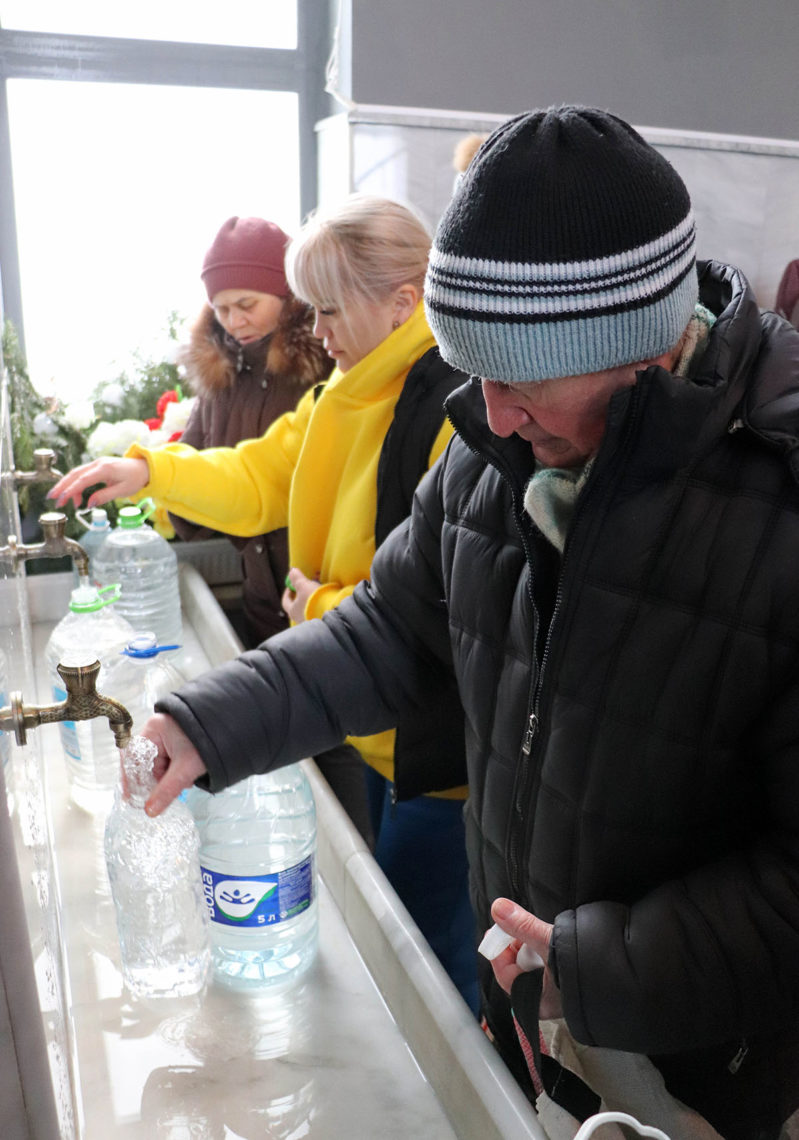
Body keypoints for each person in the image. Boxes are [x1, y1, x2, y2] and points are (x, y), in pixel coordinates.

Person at [105, 105, 799, 1138]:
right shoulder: (497, 452)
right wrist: (212, 723)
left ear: (645, 348)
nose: (492, 414)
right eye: (478, 372)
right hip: (539, 1011)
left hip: (710, 1066)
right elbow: (391, 626)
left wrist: (600, 970)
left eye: (522, 378)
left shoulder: (773, 502)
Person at [49, 194, 479, 1014]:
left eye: (329, 307)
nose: (317, 332)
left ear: (405, 296)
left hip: (440, 752)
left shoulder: (449, 412)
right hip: (378, 730)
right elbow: (259, 477)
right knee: (398, 937)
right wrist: (153, 471)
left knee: (433, 977)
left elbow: (441, 601)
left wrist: (320, 605)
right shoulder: (343, 396)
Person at [171, 215, 332, 648]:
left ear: (286, 292)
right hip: (260, 599)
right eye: (221, 309)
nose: (234, 321)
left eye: (247, 304)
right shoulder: (218, 376)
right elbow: (195, 462)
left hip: (325, 598)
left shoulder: (327, 361)